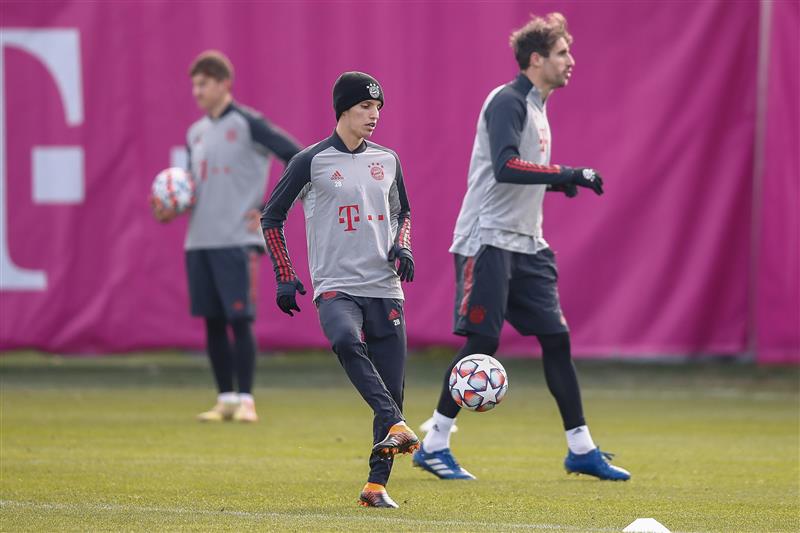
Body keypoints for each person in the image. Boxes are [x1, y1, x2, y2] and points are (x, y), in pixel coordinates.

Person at [413, 13, 631, 481]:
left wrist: (557, 184)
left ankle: (581, 449)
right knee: (483, 342)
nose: (571, 61)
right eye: (562, 53)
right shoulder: (508, 102)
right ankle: (434, 444)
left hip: (527, 242)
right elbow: (506, 166)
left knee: (556, 338)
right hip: (487, 237)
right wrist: (567, 174)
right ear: (537, 60)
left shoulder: (536, 106)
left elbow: (522, 173)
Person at [261, 72, 418, 508]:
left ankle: (376, 486)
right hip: (336, 286)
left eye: (378, 108)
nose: (374, 115)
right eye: (366, 107)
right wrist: (284, 273)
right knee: (346, 341)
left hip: (385, 288)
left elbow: (403, 212)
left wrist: (401, 247)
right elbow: (271, 217)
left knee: (393, 387)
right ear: (343, 109)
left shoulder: (388, 160)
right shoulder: (310, 161)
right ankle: (394, 422)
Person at [152, 50, 301, 423]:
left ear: (223, 84)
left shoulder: (249, 123)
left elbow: (297, 157)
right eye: (194, 85)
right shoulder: (195, 133)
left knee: (240, 320)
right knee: (213, 321)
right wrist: (173, 206)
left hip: (237, 239)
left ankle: (247, 400)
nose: (197, 92)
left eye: (203, 84)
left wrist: (270, 208)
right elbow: (192, 187)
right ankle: (226, 399)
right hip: (199, 239)